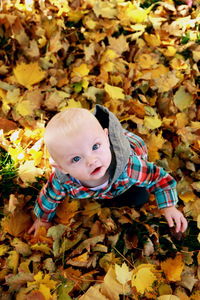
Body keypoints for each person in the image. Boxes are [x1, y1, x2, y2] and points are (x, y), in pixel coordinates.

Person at [28, 105, 188, 236]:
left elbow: (158, 178)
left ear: (106, 138)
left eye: (95, 147)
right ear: (61, 167)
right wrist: (43, 220)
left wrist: (168, 207)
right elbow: (49, 196)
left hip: (124, 168)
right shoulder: (63, 180)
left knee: (140, 197)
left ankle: (115, 184)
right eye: (76, 159)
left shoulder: (131, 168)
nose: (92, 160)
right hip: (104, 183)